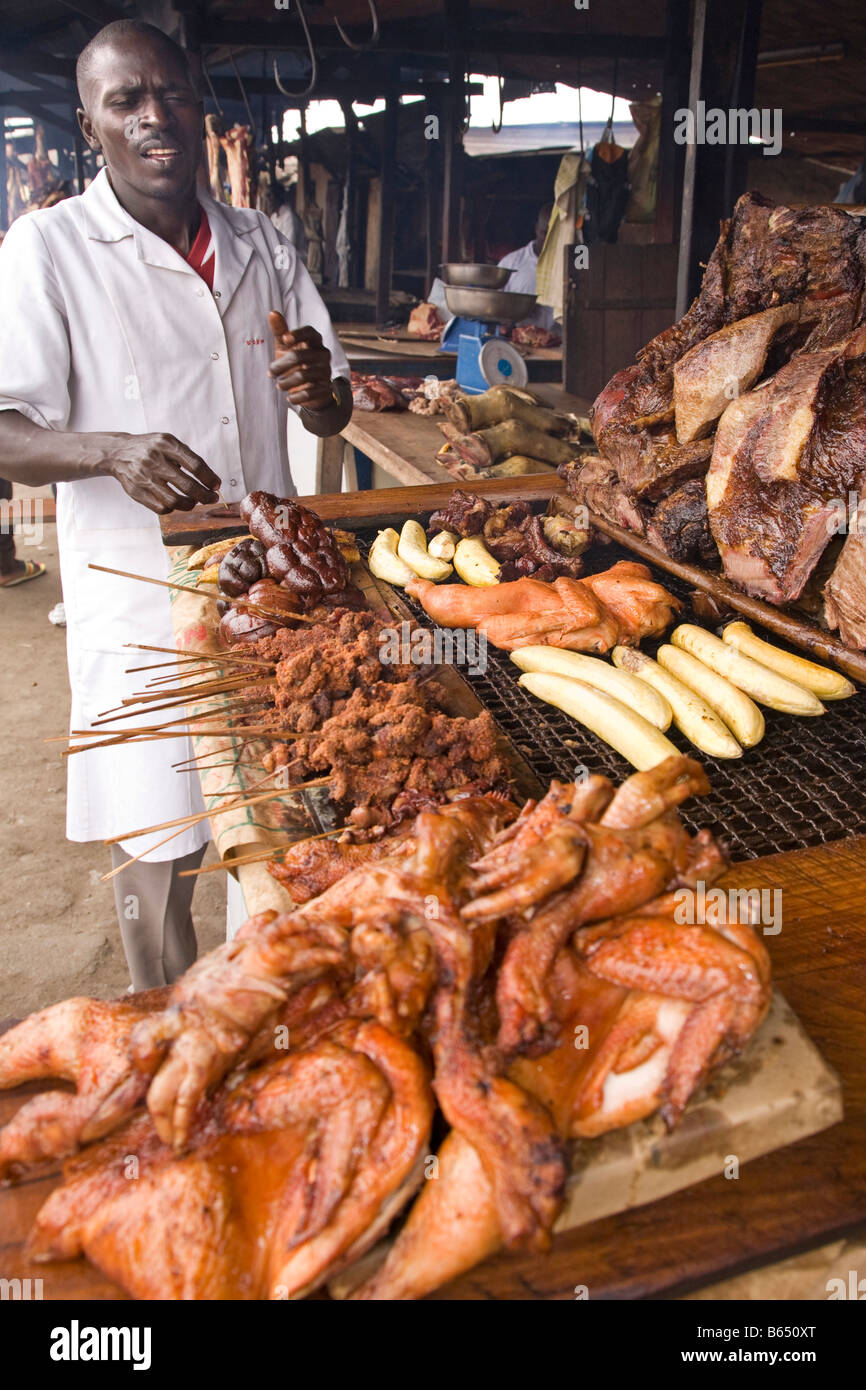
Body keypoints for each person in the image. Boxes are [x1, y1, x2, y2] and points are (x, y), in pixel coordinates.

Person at [0, 20, 352, 990]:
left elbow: (331, 410)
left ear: (199, 106)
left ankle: (266, 1025)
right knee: (156, 855)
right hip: (144, 608)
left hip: (270, 596)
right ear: (90, 124)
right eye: (126, 101)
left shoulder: (259, 244)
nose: (156, 116)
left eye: (174, 93)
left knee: (280, 832)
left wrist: (315, 383)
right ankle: (168, 1030)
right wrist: (108, 450)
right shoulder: (50, 250)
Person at [497, 203, 556, 329]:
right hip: (518, 343)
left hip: (561, 345)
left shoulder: (576, 262)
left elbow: (585, 251)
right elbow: (494, 308)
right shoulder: (510, 264)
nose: (548, 240)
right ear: (536, 229)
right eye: (544, 233)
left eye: (555, 235)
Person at [270, 181, 306, 261]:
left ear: (277, 198)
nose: (268, 201)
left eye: (270, 197)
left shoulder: (289, 217)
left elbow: (288, 244)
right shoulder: (273, 217)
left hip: (293, 260)